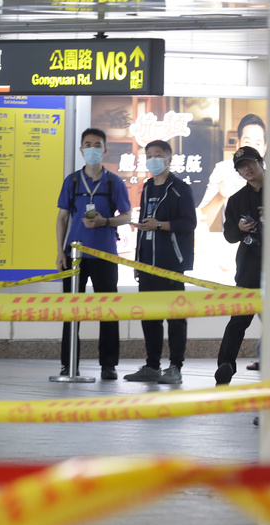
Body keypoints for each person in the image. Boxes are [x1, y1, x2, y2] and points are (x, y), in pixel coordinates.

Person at [54, 127, 132, 380]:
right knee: (71, 312)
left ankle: (108, 365)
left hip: (105, 255)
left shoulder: (114, 182)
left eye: (97, 145)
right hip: (74, 256)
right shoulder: (73, 181)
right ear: (81, 150)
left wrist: (105, 222)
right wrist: (59, 251)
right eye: (88, 145)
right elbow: (62, 217)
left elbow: (128, 216)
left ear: (104, 150)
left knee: (107, 311)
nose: (92, 149)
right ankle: (69, 364)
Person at [123, 139, 198, 385]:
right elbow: (146, 225)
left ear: (168, 159)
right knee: (150, 316)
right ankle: (152, 366)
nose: (153, 160)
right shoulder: (146, 188)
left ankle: (175, 367)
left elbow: (189, 224)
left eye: (158, 155)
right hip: (147, 265)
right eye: (149, 155)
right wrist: (138, 261)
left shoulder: (180, 188)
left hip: (171, 264)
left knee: (175, 316)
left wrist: (160, 225)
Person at [214, 146, 265, 386]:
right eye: (241, 166)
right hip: (249, 268)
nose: (247, 169)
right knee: (238, 321)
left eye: (250, 163)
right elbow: (229, 236)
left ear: (260, 161)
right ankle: (225, 366)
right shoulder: (236, 200)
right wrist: (241, 229)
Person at [196, 113, 267, 234]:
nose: (252, 149)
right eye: (247, 142)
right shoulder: (223, 169)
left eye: (258, 144)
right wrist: (220, 197)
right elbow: (202, 223)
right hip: (233, 244)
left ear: (265, 148)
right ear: (238, 145)